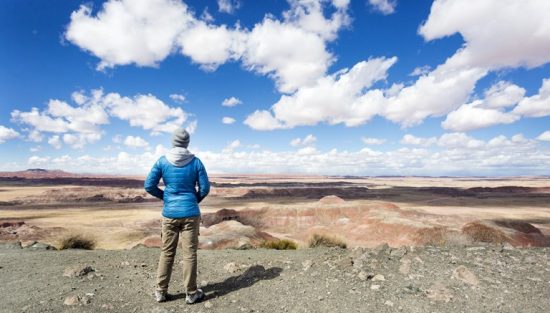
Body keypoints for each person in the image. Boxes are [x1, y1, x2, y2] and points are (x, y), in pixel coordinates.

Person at [144, 127, 210, 305]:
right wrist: (193, 200)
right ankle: (191, 293)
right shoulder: (196, 162)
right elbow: (205, 188)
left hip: (170, 214)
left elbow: (149, 185)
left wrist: (166, 197)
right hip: (190, 214)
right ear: (187, 142)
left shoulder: (162, 162)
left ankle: (160, 292)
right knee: (189, 254)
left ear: (173, 142)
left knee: (166, 252)